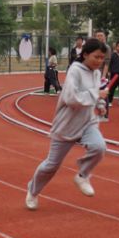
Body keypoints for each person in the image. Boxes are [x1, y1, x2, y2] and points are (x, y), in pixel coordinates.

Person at [25, 39, 110, 211]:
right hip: (67, 125)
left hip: (87, 123)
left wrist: (100, 106)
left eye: (102, 58)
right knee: (51, 165)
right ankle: (33, 191)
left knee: (99, 147)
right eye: (97, 57)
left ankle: (83, 176)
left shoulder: (95, 73)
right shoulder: (75, 71)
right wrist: (96, 94)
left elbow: (95, 96)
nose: (99, 61)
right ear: (85, 54)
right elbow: (71, 98)